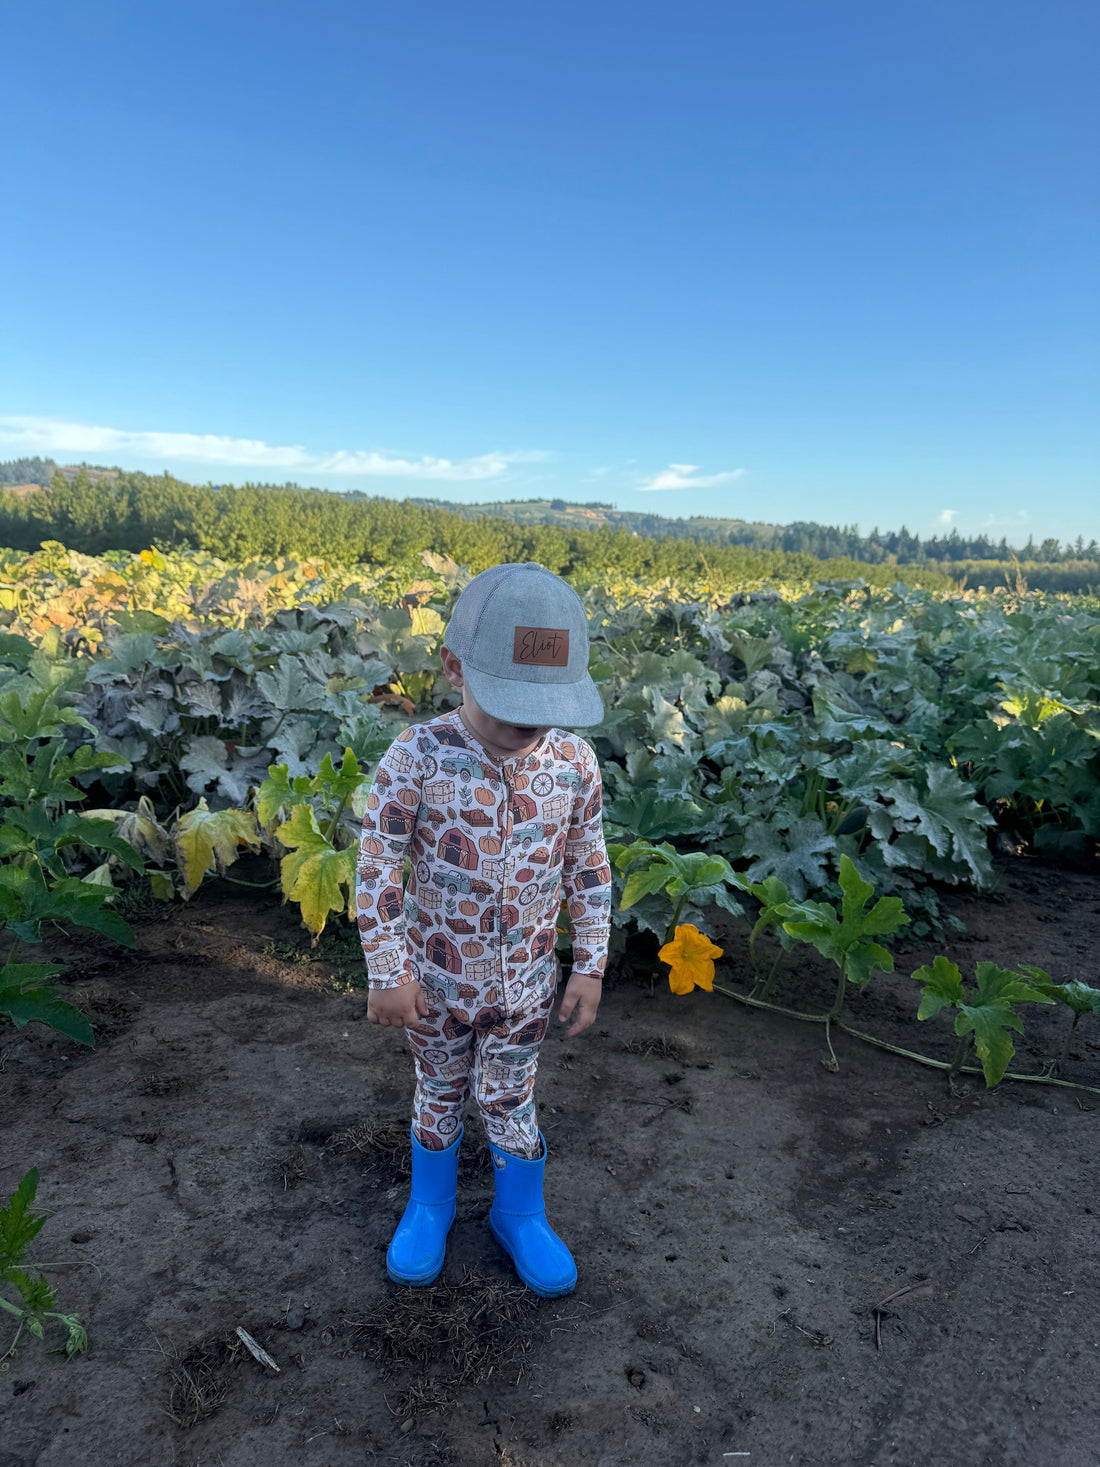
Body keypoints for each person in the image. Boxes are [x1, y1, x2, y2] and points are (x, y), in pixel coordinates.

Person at [357, 562, 611, 1298]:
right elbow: (376, 867)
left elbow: (588, 868)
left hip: (526, 987)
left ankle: (518, 1213)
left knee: (511, 1096)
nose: (527, 725)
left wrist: (590, 964)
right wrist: (388, 972)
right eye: (507, 705)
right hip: (433, 987)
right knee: (437, 1088)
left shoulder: (573, 764)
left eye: (544, 706)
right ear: (452, 665)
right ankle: (430, 1203)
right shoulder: (418, 757)